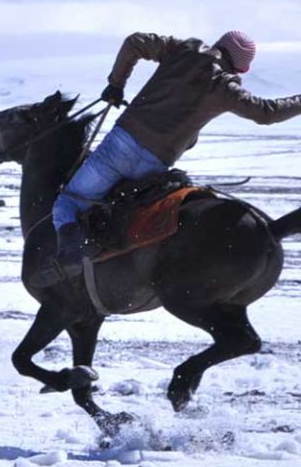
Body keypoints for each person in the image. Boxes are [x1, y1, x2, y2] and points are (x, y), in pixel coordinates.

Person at [34, 30, 301, 286]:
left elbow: (134, 42)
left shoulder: (184, 49)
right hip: (155, 163)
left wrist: (116, 85)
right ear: (241, 68)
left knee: (68, 202)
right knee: (125, 209)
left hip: (120, 146)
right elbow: (267, 112)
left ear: (219, 44)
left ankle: (70, 258)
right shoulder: (226, 88)